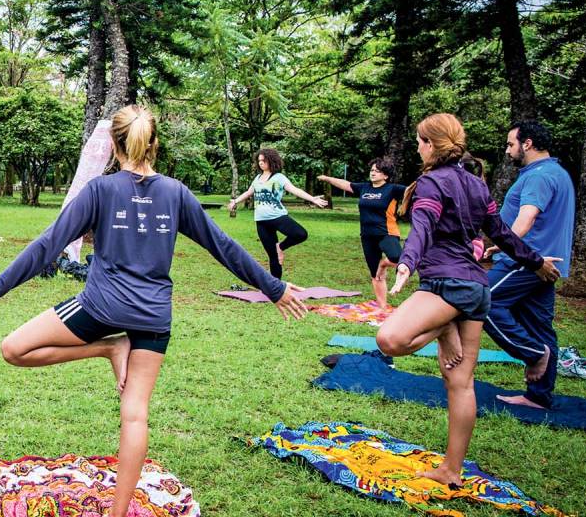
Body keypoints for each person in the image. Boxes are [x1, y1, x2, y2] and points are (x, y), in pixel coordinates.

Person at [0, 105, 306, 517]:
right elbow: (223, 247)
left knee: (13, 348)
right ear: (155, 144)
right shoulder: (175, 192)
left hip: (100, 309)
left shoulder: (100, 190)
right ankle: (118, 511)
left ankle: (107, 347)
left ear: (113, 146)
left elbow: (48, 245)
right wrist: (275, 286)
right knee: (135, 416)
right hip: (154, 318)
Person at [376, 113, 559, 488]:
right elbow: (503, 235)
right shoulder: (476, 184)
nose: (417, 147)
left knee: (389, 340)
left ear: (430, 144)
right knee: (460, 383)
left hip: (447, 287)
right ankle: (451, 470)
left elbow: (422, 227)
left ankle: (444, 327)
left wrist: (407, 263)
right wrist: (536, 261)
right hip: (477, 289)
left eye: (419, 141)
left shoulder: (430, 182)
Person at [482, 121, 575, 408]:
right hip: (548, 262)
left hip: (527, 260)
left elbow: (527, 217)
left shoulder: (539, 176)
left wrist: (505, 243)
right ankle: (539, 396)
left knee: (481, 300)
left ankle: (534, 354)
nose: (508, 150)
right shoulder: (558, 173)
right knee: (540, 327)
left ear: (528, 143)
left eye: (511, 144)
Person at [226, 148, 328, 281]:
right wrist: (235, 201)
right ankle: (276, 286)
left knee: (301, 234)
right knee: (273, 256)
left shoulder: (279, 177)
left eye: (263, 160)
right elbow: (249, 192)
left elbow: (294, 189)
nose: (261, 163)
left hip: (277, 217)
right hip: (261, 221)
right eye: (259, 161)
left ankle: (280, 246)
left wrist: (312, 199)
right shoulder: (257, 178)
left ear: (271, 161)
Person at [318, 158, 407, 307]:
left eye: (377, 171)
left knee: (397, 258)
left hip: (387, 232)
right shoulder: (364, 188)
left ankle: (383, 264)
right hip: (367, 235)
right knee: (375, 274)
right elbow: (345, 185)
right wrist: (327, 178)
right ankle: (382, 306)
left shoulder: (393, 189)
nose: (373, 173)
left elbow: (413, 189)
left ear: (385, 175)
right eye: (372, 170)